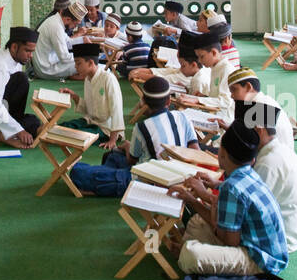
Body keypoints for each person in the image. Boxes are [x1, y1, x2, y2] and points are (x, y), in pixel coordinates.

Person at [171, 120, 288, 277]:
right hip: (262, 248)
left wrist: (194, 200)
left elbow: (229, 242)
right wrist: (207, 192)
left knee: (191, 254)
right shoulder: (249, 173)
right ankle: (192, 251)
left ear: (222, 154)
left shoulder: (231, 188)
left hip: (260, 260)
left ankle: (186, 253)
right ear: (252, 159)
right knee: (197, 222)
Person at [69, 74, 197, 197]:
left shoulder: (142, 126)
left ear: (144, 101)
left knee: (77, 171)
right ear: (169, 101)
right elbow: (195, 150)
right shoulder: (184, 117)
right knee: (113, 156)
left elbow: (131, 160)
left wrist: (127, 146)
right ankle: (105, 179)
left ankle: (104, 182)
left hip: (148, 181)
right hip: (180, 177)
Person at [241, 100, 297, 252]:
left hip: (280, 240)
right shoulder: (279, 151)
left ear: (259, 130)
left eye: (245, 132)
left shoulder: (269, 163)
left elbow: (249, 209)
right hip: (290, 230)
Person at [60, 44, 125, 150]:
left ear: (90, 63)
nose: (76, 67)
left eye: (78, 63)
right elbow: (88, 108)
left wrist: (113, 140)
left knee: (74, 136)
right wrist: (74, 96)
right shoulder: (88, 79)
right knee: (60, 128)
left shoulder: (108, 79)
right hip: (90, 121)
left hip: (106, 129)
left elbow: (116, 110)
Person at [219, 68, 296, 149]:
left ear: (248, 87)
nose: (232, 96)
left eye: (234, 90)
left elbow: (250, 147)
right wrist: (228, 127)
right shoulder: (263, 101)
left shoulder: (261, 107)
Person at [177, 32, 234, 118]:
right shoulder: (214, 67)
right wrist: (205, 97)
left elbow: (226, 101)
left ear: (214, 53)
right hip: (215, 114)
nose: (199, 61)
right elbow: (217, 96)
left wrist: (197, 100)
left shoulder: (227, 70)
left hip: (225, 119)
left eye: (202, 56)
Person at [32, 1, 86, 79]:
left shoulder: (56, 21)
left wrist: (83, 40)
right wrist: (85, 55)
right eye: (75, 24)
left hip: (51, 61)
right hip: (46, 69)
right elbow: (65, 58)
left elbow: (67, 42)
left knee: (85, 61)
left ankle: (76, 75)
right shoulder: (56, 27)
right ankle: (76, 76)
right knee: (85, 64)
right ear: (68, 19)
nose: (75, 27)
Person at [147, 0, 198, 64]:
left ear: (174, 14)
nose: (164, 15)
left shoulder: (182, 21)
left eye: (166, 13)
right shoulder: (174, 21)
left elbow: (189, 35)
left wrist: (174, 31)